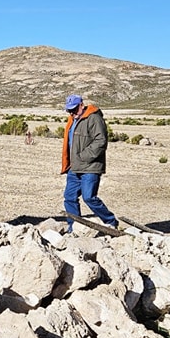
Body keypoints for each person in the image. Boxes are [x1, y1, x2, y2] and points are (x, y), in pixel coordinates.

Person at [60, 93, 118, 233]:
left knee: (89, 197)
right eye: (69, 110)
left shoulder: (94, 118)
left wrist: (83, 156)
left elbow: (100, 141)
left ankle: (110, 221)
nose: (71, 113)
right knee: (69, 197)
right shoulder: (73, 120)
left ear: (81, 105)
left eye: (74, 109)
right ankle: (74, 226)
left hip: (90, 166)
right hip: (74, 167)